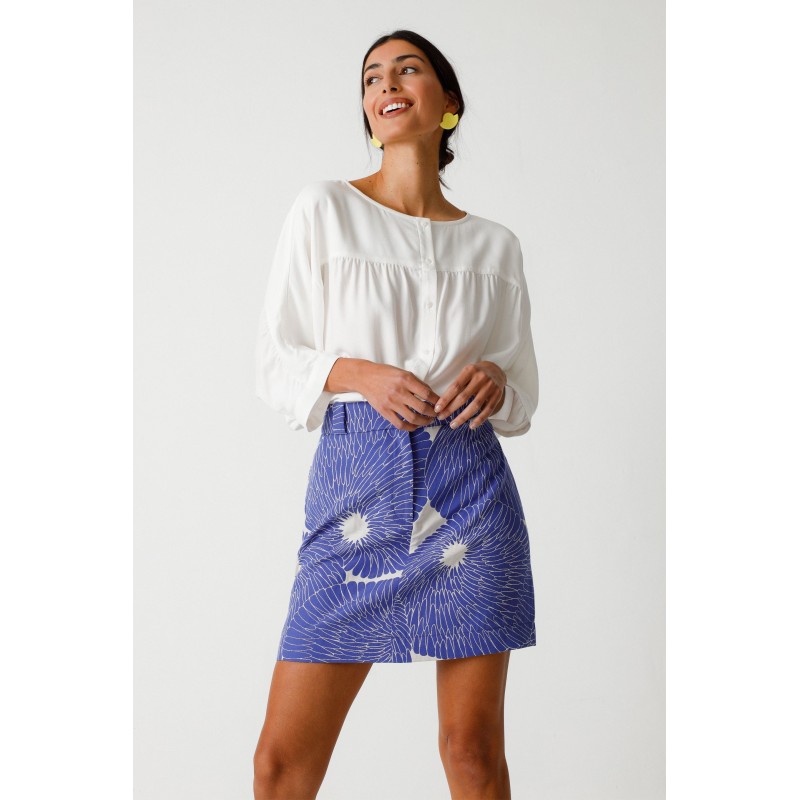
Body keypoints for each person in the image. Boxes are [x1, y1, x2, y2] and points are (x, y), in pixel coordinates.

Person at [252, 29, 539, 800]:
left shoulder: (496, 247)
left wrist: (495, 379)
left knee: (472, 753)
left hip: (470, 493)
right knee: (280, 764)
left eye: (407, 70)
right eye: (372, 77)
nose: (386, 84)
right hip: (357, 487)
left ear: (448, 104)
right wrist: (359, 374)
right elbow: (275, 360)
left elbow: (522, 392)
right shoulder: (325, 210)